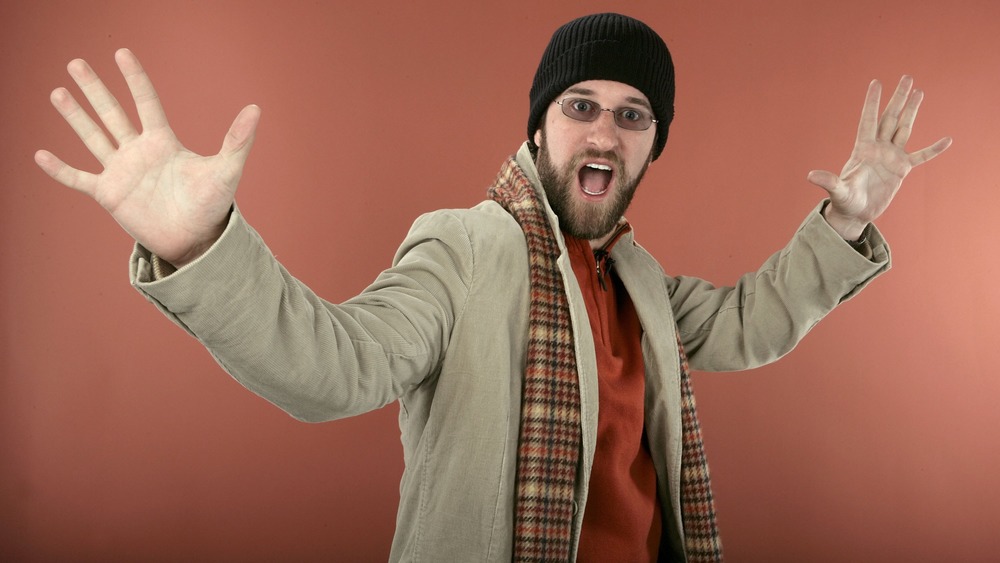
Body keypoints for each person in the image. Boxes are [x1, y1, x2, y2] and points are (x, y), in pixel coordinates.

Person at [35, 12, 950, 563]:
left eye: (633, 116)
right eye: (580, 107)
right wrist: (201, 242)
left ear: (650, 146)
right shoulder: (465, 247)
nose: (605, 131)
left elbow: (754, 321)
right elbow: (336, 366)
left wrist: (844, 221)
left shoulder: (638, 277)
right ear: (542, 128)